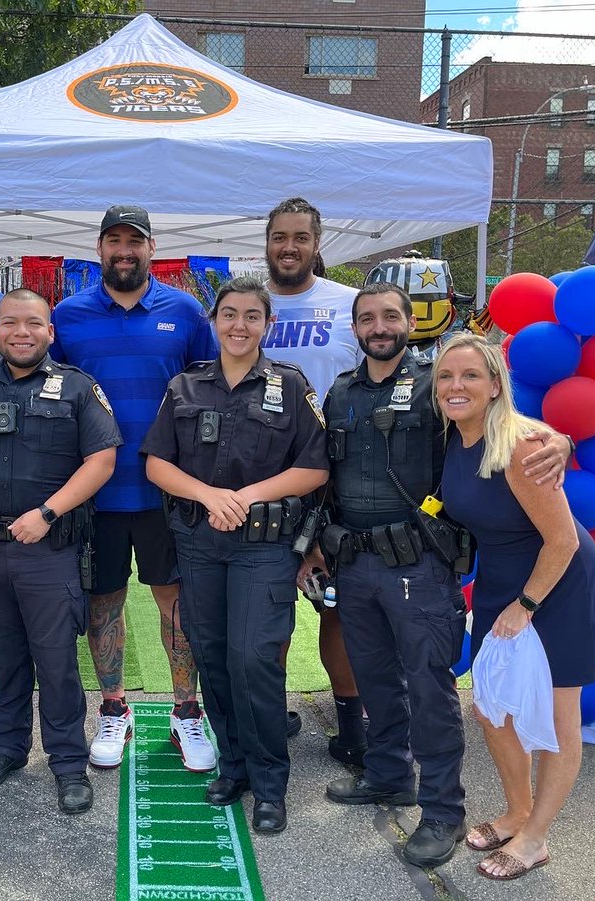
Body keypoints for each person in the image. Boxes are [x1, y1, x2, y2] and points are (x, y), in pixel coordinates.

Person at [306, 283, 571, 869]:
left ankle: (444, 811)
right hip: (353, 561)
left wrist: (560, 438)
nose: (379, 326)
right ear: (355, 329)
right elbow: (328, 471)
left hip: (419, 565)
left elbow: (508, 423)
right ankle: (388, 776)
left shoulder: (438, 384)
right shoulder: (342, 391)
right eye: (367, 318)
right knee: (375, 678)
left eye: (391, 316)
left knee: (429, 688)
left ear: (410, 322)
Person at [141, 275, 327, 834]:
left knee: (253, 659)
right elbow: (157, 463)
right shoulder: (185, 387)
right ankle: (236, 767)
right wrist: (208, 496)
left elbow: (314, 467)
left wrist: (243, 497)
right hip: (200, 543)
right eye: (229, 314)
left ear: (267, 324)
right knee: (214, 656)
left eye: (251, 315)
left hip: (264, 548)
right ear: (214, 322)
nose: (239, 325)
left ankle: (271, 782)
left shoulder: (291, 387)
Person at [433, 332, 595, 881]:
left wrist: (527, 605)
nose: (456, 386)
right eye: (446, 376)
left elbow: (561, 541)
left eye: (469, 376)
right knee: (491, 709)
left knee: (559, 721)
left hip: (555, 586)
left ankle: (536, 837)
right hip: (501, 580)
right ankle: (516, 810)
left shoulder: (520, 445)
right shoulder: (453, 437)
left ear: (496, 385)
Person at [0, 288, 121, 814]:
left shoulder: (79, 389)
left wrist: (49, 513)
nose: (22, 332)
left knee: (56, 661)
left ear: (50, 332)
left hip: (49, 548)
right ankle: (7, 748)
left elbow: (101, 459)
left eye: (33, 323)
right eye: (10, 322)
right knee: (5, 656)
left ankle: (67, 764)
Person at [51, 204, 218, 772]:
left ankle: (186, 712)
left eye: (135, 240)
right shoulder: (67, 316)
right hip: (93, 492)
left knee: (176, 601)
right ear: (99, 248)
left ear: (152, 248)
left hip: (167, 492)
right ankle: (114, 708)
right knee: (105, 600)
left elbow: (210, 393)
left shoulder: (187, 311)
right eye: (114, 240)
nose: (125, 250)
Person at [261, 196, 367, 760]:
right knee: (267, 606)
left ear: (317, 243)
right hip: (264, 483)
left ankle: (353, 730)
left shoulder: (350, 305)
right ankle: (269, 714)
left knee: (338, 606)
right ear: (267, 242)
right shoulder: (244, 307)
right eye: (280, 236)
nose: (289, 246)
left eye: (300, 237)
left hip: (341, 482)